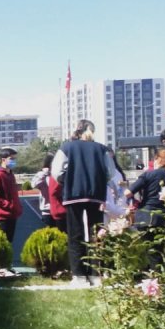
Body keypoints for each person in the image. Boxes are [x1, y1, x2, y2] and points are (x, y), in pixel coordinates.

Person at [51, 119, 113, 285]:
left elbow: (56, 172)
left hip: (73, 195)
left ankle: (79, 275)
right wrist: (98, 180)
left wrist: (68, 180)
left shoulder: (67, 147)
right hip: (96, 194)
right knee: (96, 234)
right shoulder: (102, 149)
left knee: (75, 234)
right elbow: (110, 173)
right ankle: (95, 275)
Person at [126, 147, 165, 230]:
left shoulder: (149, 174)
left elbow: (128, 193)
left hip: (147, 217)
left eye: (154, 159)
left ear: (159, 160)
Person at [0, 148, 23, 244]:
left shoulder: (10, 174)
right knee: (3, 243)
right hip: (3, 216)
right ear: (3, 160)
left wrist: (18, 206)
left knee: (9, 242)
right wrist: (9, 205)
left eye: (15, 158)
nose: (14, 161)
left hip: (12, 215)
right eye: (11, 158)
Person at [30, 155, 56, 228]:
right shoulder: (42, 175)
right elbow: (33, 185)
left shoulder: (58, 174)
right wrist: (44, 173)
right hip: (47, 211)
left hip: (59, 210)